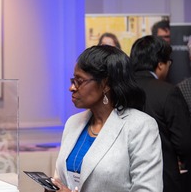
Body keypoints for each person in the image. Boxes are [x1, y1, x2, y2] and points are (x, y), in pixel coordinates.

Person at [48, 45, 163, 192]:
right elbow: (62, 179)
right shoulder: (73, 123)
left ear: (105, 84)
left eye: (79, 81)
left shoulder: (141, 126)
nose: (72, 87)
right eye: (73, 80)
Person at [130, 35, 191, 192]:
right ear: (160, 65)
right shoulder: (167, 92)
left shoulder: (120, 91)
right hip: (163, 179)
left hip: (127, 178)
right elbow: (184, 144)